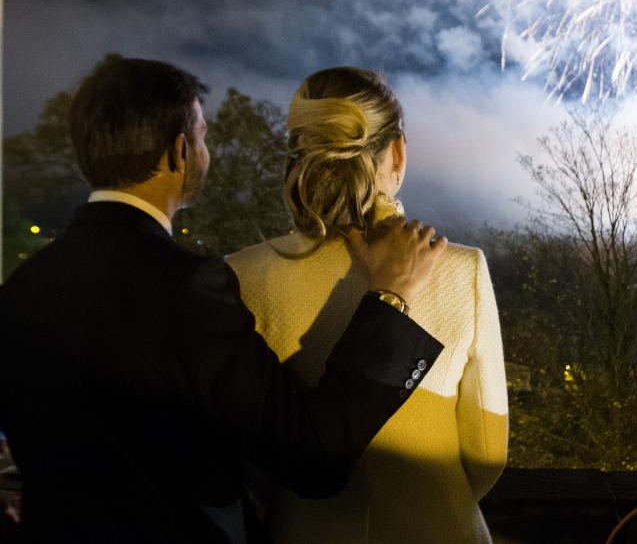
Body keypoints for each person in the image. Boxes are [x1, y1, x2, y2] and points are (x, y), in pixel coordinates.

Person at [0, 56, 450, 544]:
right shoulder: (187, 288)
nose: (205, 151)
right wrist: (390, 296)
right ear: (181, 152)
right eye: (203, 135)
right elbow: (310, 456)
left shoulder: (21, 289)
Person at [228, 67, 507, 544]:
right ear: (397, 151)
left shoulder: (242, 274)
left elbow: (247, 457)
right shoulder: (463, 270)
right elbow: (486, 453)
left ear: (298, 153)